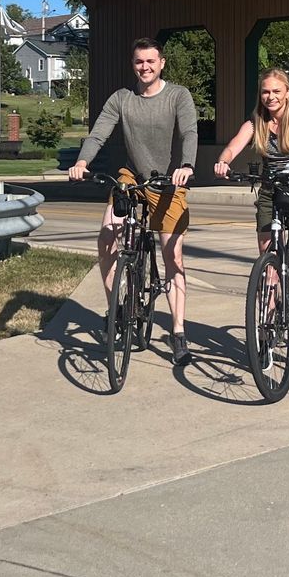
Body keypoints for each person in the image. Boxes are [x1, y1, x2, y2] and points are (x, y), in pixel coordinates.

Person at [67, 36, 199, 361]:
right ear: (133, 64)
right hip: (132, 178)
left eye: (151, 61)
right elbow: (99, 132)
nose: (145, 67)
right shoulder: (121, 99)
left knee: (174, 257)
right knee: (107, 237)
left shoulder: (177, 95)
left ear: (161, 63)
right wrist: (82, 161)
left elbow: (190, 132)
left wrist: (186, 165)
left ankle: (179, 331)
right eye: (139, 61)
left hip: (169, 182)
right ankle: (119, 309)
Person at [213, 69, 289, 373]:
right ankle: (265, 333)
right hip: (270, 193)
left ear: (288, 93)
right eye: (266, 92)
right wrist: (224, 161)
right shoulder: (256, 123)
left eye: (277, 91)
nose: (271, 97)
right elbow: (233, 145)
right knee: (269, 268)